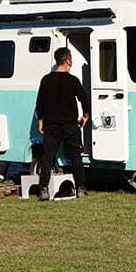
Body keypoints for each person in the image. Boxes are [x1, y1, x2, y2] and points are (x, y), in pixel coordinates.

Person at [35, 47, 90, 200]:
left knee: (48, 157)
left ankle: (44, 189)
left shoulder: (46, 80)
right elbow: (84, 99)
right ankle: (80, 188)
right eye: (71, 58)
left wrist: (41, 120)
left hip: (51, 125)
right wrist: (86, 115)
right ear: (67, 60)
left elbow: (40, 102)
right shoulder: (73, 81)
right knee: (76, 157)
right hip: (70, 125)